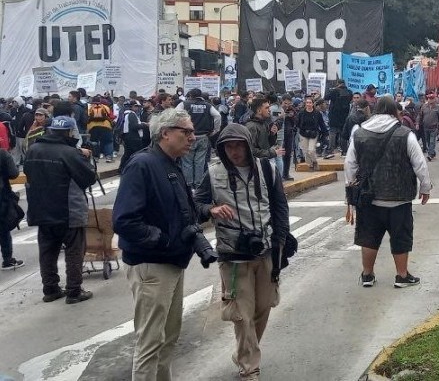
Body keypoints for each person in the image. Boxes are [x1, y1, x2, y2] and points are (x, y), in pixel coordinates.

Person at [113, 109, 204, 381]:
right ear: (165, 133)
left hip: (172, 262)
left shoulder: (170, 163)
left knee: (169, 337)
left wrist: (207, 211)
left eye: (192, 132)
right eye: (186, 132)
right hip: (152, 265)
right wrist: (163, 241)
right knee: (150, 342)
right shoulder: (143, 164)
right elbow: (124, 220)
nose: (193, 138)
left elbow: (181, 209)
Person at [195, 124, 290, 381]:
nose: (234, 151)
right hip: (233, 255)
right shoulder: (213, 174)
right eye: (229, 146)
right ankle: (250, 367)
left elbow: (280, 206)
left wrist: (281, 241)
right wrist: (210, 210)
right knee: (242, 314)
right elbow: (196, 204)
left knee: (263, 307)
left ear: (248, 144)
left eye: (238, 145)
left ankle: (244, 352)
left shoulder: (267, 170)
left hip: (266, 250)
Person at [344, 96, 432, 288]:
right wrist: (425, 187)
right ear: (395, 112)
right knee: (400, 237)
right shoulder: (405, 133)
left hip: (368, 198)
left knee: (368, 237)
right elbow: (419, 163)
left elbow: (349, 164)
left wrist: (351, 189)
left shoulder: (359, 133)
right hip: (399, 199)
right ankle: (401, 276)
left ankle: (367, 275)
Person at [23, 116, 97, 303]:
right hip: (68, 209)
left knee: (47, 251)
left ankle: (50, 288)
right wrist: (85, 158)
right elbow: (88, 177)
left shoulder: (34, 150)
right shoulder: (70, 153)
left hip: (41, 208)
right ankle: (74, 290)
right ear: (70, 132)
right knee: (74, 250)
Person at [177, 89, 221, 187]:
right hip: (203, 136)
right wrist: (215, 130)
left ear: (190, 95)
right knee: (200, 161)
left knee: (187, 161)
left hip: (188, 136)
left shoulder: (184, 104)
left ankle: (188, 184)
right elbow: (218, 116)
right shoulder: (208, 105)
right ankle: (198, 184)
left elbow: (175, 115)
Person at [0, 147, 24, 270]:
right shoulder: (3, 154)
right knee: (3, 229)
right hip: (2, 195)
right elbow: (14, 173)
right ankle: (7, 259)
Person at [245, 97, 282, 164]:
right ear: (259, 111)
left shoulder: (264, 123)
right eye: (267, 108)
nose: (269, 110)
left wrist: (272, 134)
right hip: (257, 164)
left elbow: (267, 144)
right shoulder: (251, 127)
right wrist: (272, 153)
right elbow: (251, 150)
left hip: (264, 162)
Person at [119, 101, 149, 173]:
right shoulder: (131, 114)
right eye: (136, 106)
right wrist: (145, 125)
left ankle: (122, 168)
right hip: (133, 138)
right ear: (131, 106)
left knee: (128, 154)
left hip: (128, 137)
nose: (137, 108)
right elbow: (134, 126)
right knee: (135, 154)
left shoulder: (126, 114)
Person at [297, 97, 324, 170]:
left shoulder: (317, 113)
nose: (308, 104)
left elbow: (321, 124)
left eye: (310, 103)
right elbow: (297, 123)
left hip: (313, 133)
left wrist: (325, 133)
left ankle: (314, 161)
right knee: (305, 151)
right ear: (305, 104)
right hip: (303, 133)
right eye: (307, 103)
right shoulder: (301, 113)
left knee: (311, 150)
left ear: (313, 104)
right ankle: (310, 164)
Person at [87, 96, 115, 162]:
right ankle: (108, 157)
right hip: (106, 126)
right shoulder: (105, 107)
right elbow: (112, 116)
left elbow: (87, 117)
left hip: (93, 127)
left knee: (94, 142)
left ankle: (95, 158)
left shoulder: (90, 107)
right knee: (108, 142)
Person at [417, 94, 439, 161]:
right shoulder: (424, 107)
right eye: (429, 98)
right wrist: (417, 123)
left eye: (432, 98)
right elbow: (420, 116)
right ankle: (433, 153)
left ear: (434, 99)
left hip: (434, 128)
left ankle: (430, 155)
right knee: (428, 141)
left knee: (432, 142)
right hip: (426, 127)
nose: (430, 100)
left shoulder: (438, 108)